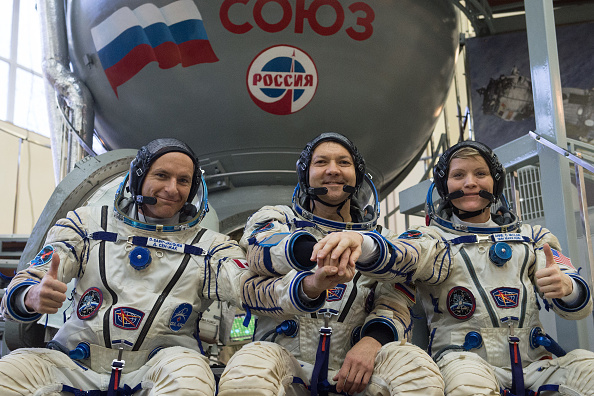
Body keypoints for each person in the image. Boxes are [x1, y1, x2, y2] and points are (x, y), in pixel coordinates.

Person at [0, 138, 248, 396]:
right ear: (137, 178)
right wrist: (30, 296)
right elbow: (26, 283)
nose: (172, 189)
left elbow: (245, 285)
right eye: (161, 175)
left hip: (160, 367)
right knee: (10, 373)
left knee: (191, 380)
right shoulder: (86, 225)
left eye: (183, 181)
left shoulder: (212, 246)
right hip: (74, 361)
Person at [218, 133, 444, 396]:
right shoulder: (276, 218)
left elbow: (395, 301)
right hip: (285, 360)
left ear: (357, 176)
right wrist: (319, 260)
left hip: (358, 366)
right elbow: (262, 250)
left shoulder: (381, 242)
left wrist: (373, 341)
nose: (333, 170)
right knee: (248, 373)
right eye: (322, 162)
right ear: (305, 174)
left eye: (344, 163)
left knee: (416, 370)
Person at [403, 140, 594, 395]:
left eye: (480, 173)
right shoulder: (428, 238)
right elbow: (398, 254)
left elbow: (575, 297)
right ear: (444, 186)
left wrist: (567, 288)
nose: (470, 182)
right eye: (458, 175)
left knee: (587, 369)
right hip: (464, 363)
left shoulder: (533, 236)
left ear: (495, 181)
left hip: (535, 363)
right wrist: (362, 243)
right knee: (469, 387)